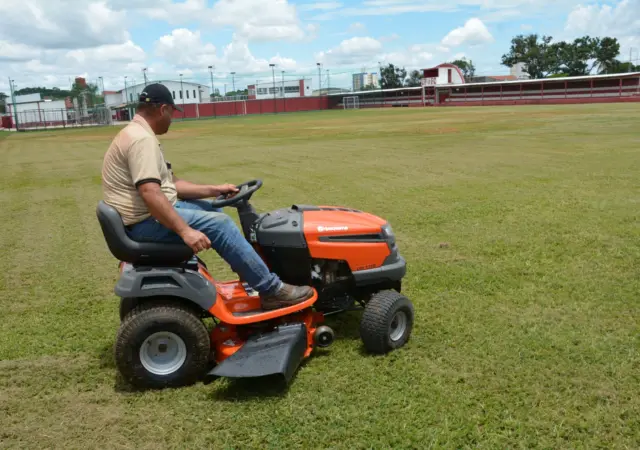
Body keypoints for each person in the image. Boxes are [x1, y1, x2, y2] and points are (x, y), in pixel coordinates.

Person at [101, 83, 313, 310]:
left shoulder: (135, 133)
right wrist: (186, 231)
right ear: (163, 109)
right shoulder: (141, 140)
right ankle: (271, 290)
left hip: (139, 219)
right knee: (221, 225)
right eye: (172, 112)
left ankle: (250, 271)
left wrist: (215, 189)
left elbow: (172, 185)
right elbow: (150, 192)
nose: (172, 119)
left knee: (214, 210)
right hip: (143, 224)